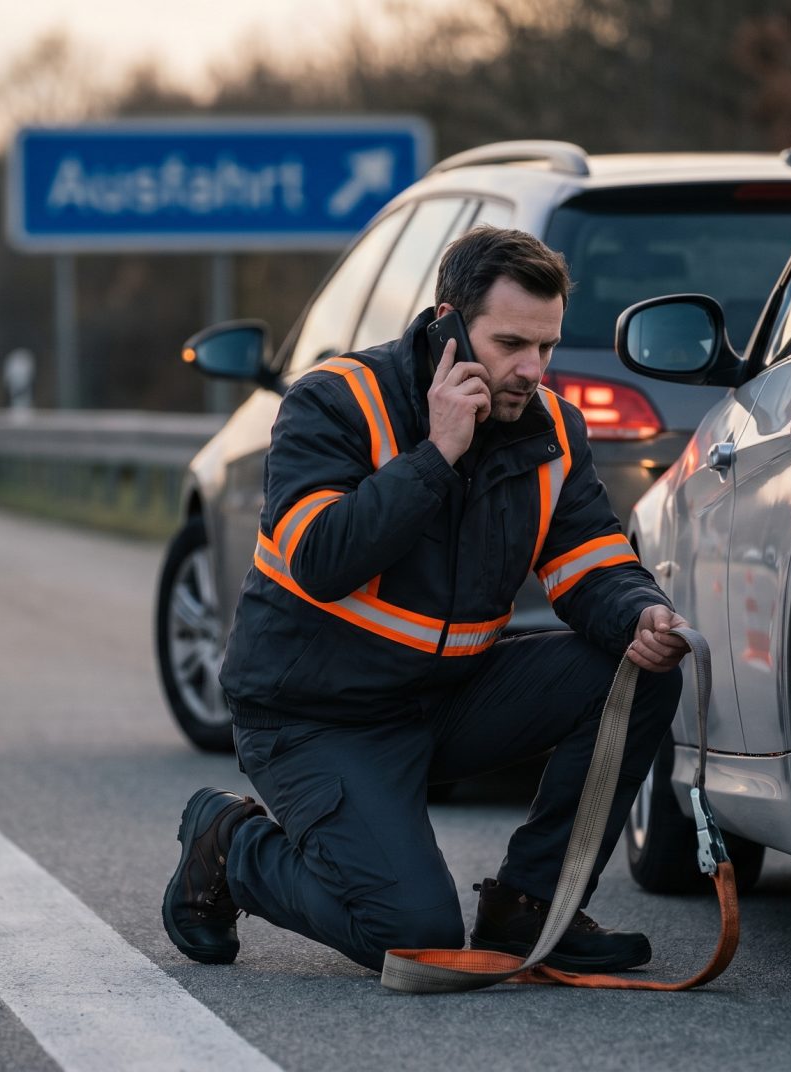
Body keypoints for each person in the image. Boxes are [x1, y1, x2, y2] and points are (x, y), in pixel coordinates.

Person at [162, 226, 692, 975]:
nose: (531, 370)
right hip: (317, 715)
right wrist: (437, 454)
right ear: (449, 324)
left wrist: (641, 611)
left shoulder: (552, 429)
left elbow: (591, 561)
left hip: (445, 698)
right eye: (510, 344)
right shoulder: (335, 401)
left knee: (639, 670)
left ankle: (533, 907)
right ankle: (229, 843)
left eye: (545, 346)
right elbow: (320, 560)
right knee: (413, 932)